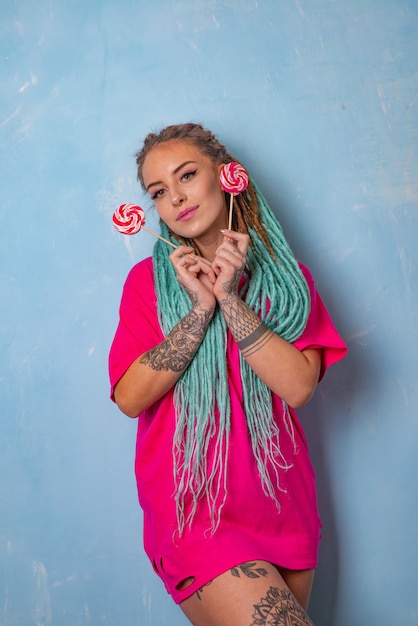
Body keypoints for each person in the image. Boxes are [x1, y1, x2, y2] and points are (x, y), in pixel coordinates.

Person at [108, 122, 347, 625]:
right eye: (158, 192)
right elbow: (130, 398)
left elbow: (299, 386)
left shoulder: (288, 282)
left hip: (282, 501)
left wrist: (230, 298)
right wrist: (198, 311)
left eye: (187, 175)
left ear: (227, 174)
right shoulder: (147, 284)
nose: (175, 197)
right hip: (198, 511)